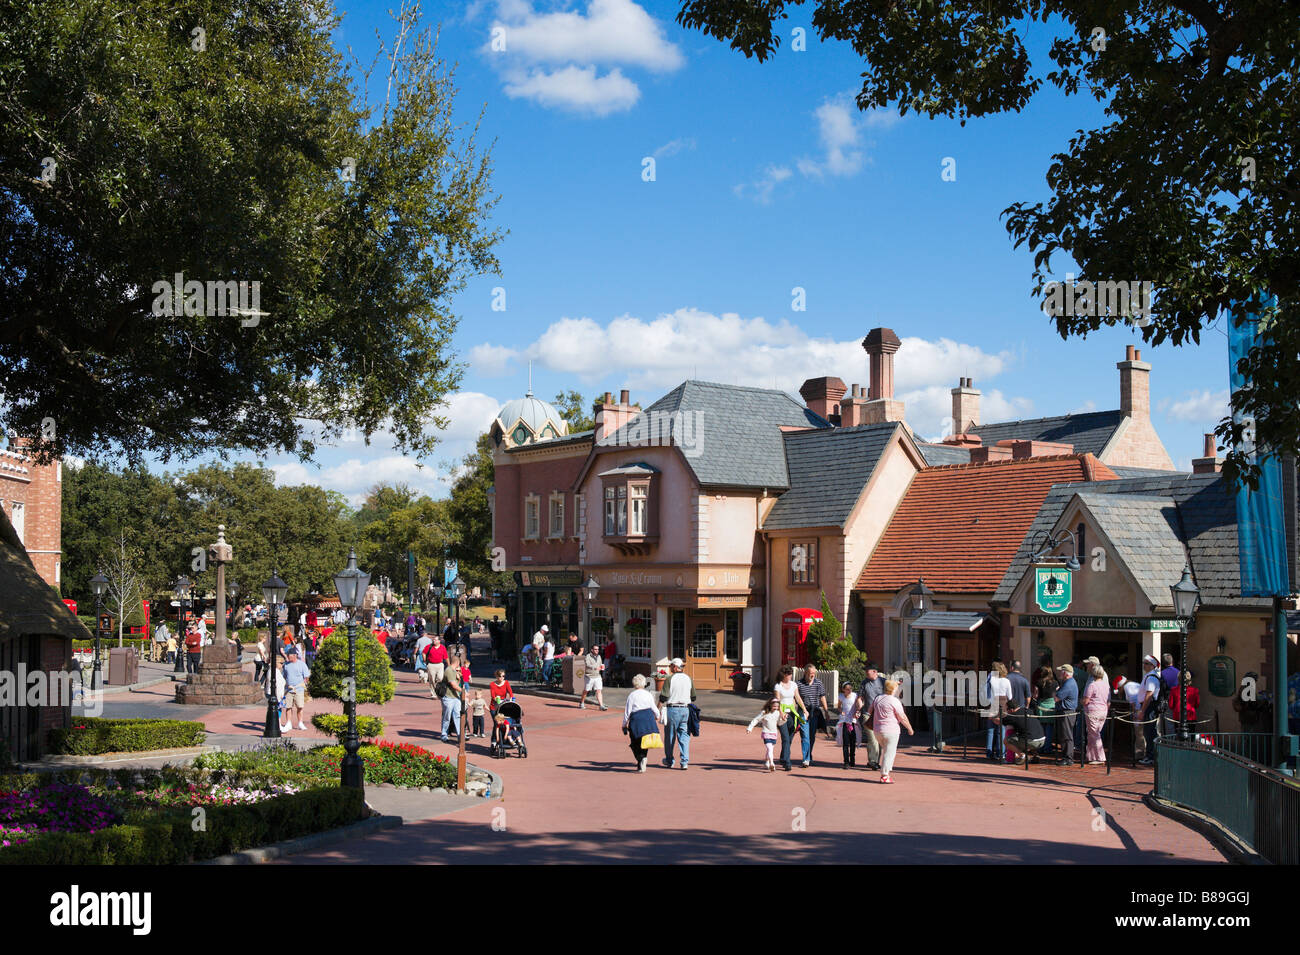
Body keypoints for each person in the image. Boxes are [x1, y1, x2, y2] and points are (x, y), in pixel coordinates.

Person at [867, 679, 913, 783]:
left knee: (887, 751)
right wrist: (909, 728)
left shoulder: (878, 698)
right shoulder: (894, 701)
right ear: (893, 689)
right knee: (889, 753)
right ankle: (885, 775)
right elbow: (902, 717)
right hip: (891, 731)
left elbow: (870, 711)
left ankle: (886, 772)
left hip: (877, 731)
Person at [658, 657, 696, 770]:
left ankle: (669, 760)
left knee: (670, 736)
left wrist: (656, 710)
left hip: (673, 709)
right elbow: (693, 697)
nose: (670, 668)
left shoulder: (670, 679)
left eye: (670, 666)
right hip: (685, 709)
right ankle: (684, 761)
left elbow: (663, 697)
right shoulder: (688, 678)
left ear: (675, 667)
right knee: (684, 736)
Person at [771, 665, 809, 771]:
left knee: (790, 738)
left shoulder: (793, 685)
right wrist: (781, 713)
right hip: (781, 714)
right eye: (789, 674)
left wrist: (805, 710)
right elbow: (777, 701)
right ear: (784, 675)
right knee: (786, 738)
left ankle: (783, 757)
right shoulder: (778, 686)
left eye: (791, 674)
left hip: (792, 714)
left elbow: (798, 698)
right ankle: (787, 762)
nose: (790, 676)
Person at [622, 673, 660, 773]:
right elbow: (653, 707)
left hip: (636, 719)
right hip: (648, 718)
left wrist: (624, 724)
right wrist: (657, 715)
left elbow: (627, 711)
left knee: (635, 743)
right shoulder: (648, 694)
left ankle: (640, 759)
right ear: (643, 684)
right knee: (645, 742)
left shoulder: (632, 695)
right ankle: (643, 759)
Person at [797, 664, 829, 767]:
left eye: (814, 673)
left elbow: (822, 697)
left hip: (814, 713)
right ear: (805, 673)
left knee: (811, 737)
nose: (812, 675)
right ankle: (806, 759)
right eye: (811, 673)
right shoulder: (799, 684)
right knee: (805, 736)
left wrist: (826, 711)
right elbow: (796, 699)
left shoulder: (818, 683)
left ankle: (808, 754)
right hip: (803, 713)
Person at [857, 664, 886, 770]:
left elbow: (891, 694)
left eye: (867, 671)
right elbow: (860, 697)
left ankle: (874, 761)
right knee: (872, 738)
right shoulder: (864, 683)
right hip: (867, 714)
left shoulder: (883, 682)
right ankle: (873, 761)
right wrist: (858, 707)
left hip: (880, 715)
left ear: (875, 671)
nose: (866, 672)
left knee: (878, 739)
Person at [1137, 654, 1163, 765]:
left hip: (1150, 707)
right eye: (1144, 663)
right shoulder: (1149, 676)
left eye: (1146, 663)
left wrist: (1142, 710)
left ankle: (1151, 756)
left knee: (1150, 732)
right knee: (1149, 732)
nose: (1144, 665)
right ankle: (1150, 755)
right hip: (1149, 706)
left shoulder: (1151, 678)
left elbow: (1149, 695)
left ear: (1152, 666)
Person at [747, 699, 785, 771]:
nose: (776, 708)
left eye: (777, 707)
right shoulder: (764, 712)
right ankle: (772, 763)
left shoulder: (777, 713)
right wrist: (750, 728)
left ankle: (767, 761)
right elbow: (756, 719)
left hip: (774, 734)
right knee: (770, 749)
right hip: (766, 733)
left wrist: (784, 719)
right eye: (774, 706)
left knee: (769, 750)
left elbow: (780, 723)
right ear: (770, 705)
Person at [1083, 662, 1110, 763]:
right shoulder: (1106, 686)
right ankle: (1091, 756)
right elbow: (1108, 701)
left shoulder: (1092, 685)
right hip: (1103, 711)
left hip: (1093, 711)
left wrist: (1081, 701)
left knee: (1094, 734)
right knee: (1091, 734)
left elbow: (1086, 700)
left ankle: (1100, 757)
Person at [984, 661, 1011, 761]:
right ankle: (1001, 753)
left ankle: (989, 752)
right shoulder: (1006, 681)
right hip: (1003, 705)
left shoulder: (991, 679)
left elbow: (986, 693)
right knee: (1001, 730)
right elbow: (1010, 696)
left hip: (993, 704)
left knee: (990, 730)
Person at [281, 646, 311, 733]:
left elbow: (306, 676)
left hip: (299, 689)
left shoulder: (302, 664)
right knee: (288, 706)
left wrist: (306, 685)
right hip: (289, 689)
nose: (288, 657)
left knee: (300, 706)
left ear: (295, 655)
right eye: (288, 655)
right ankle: (288, 722)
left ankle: (300, 722)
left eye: (289, 655)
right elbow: (284, 676)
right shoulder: (286, 665)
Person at [1053, 664, 1078, 766]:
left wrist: (1056, 691)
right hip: (1065, 712)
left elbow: (1056, 698)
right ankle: (1066, 757)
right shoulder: (1068, 682)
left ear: (1065, 673)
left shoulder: (1068, 684)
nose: (1059, 673)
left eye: (1061, 671)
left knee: (1066, 735)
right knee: (1064, 735)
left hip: (1066, 712)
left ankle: (1068, 758)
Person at [439, 653, 464, 743]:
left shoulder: (454, 671)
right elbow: (453, 685)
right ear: (457, 662)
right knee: (447, 716)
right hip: (448, 697)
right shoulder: (449, 670)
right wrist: (463, 691)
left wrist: (459, 677)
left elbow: (457, 683)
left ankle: (460, 734)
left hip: (455, 697)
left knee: (457, 715)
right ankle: (444, 734)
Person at [836, 682, 859, 768]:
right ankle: (846, 762)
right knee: (845, 742)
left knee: (853, 742)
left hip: (853, 721)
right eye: (847, 689)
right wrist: (840, 711)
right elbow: (838, 706)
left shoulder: (854, 695)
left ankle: (852, 760)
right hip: (845, 721)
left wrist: (857, 711)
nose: (849, 690)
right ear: (843, 690)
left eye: (850, 689)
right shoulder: (841, 696)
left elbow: (859, 704)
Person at [579, 644, 609, 710]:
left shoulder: (599, 657)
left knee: (599, 690)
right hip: (589, 676)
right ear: (592, 650)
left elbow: (600, 664)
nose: (597, 650)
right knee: (586, 690)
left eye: (598, 649)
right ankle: (582, 702)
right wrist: (595, 668)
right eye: (595, 649)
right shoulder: (588, 656)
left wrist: (602, 667)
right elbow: (587, 664)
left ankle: (601, 705)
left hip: (597, 676)